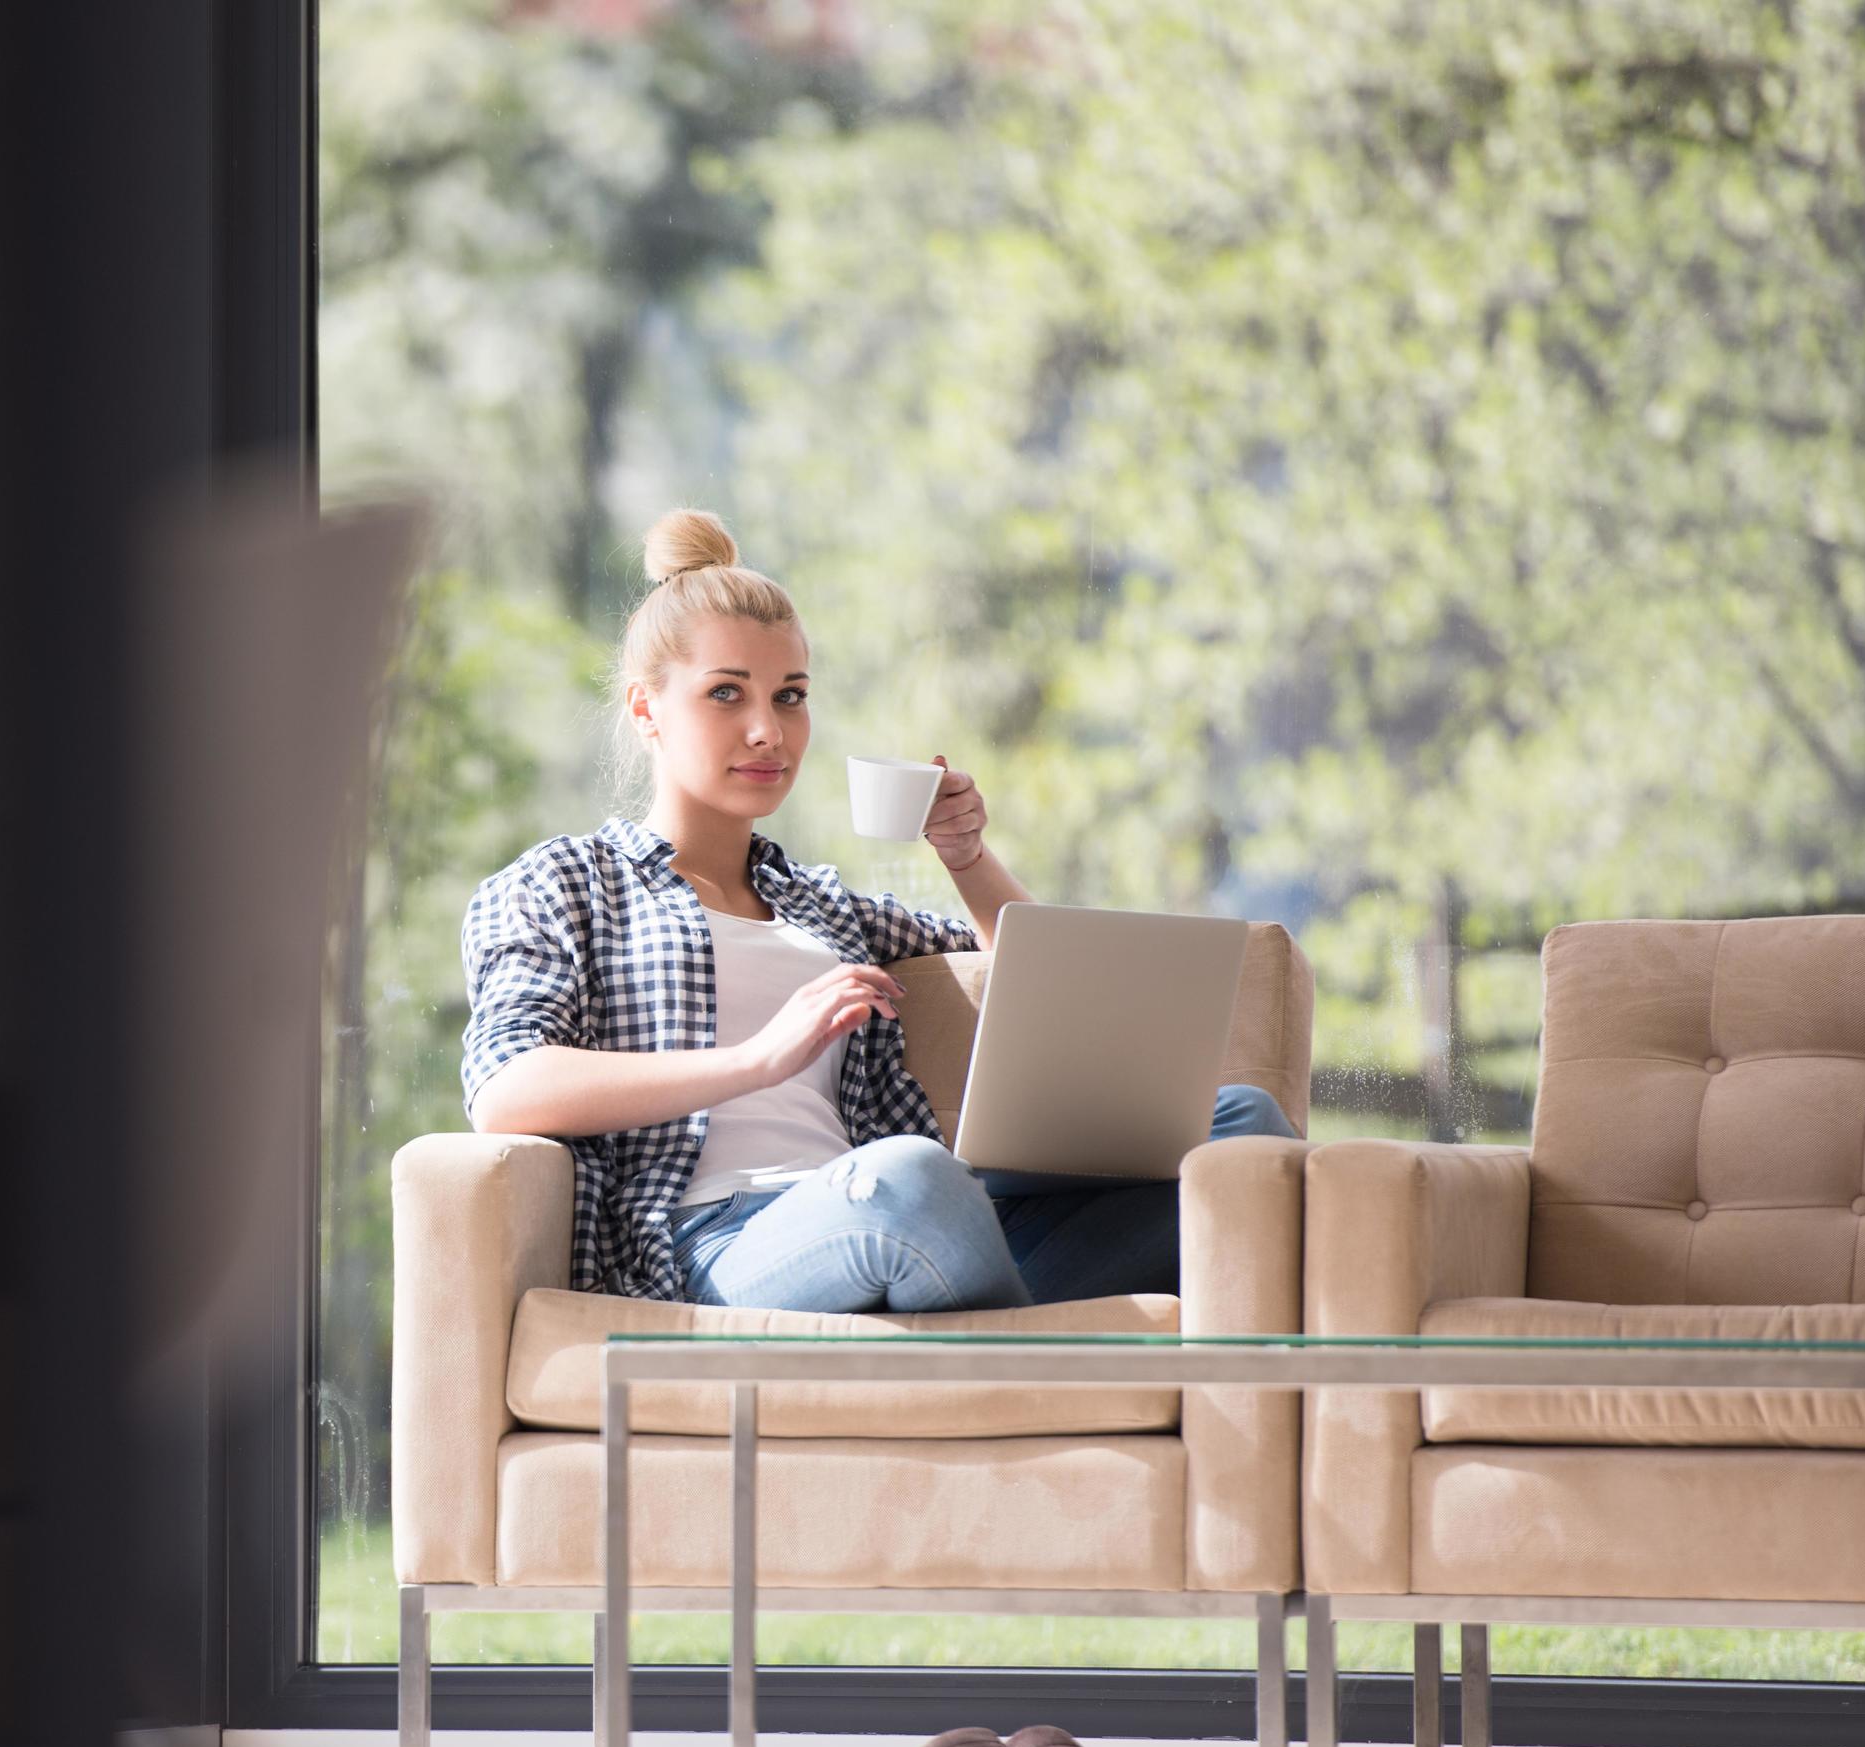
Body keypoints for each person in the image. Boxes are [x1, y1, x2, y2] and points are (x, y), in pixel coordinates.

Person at [460, 507, 1297, 1314]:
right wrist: (757, 1059)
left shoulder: (820, 903)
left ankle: (997, 1331)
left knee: (1241, 1132)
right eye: (726, 694)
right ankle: (1028, 1365)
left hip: (904, 1209)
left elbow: (1037, 979)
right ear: (647, 709)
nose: (767, 731)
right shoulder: (564, 883)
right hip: (722, 1238)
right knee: (910, 1178)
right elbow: (505, 1088)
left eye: (789, 696)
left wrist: (966, 858)